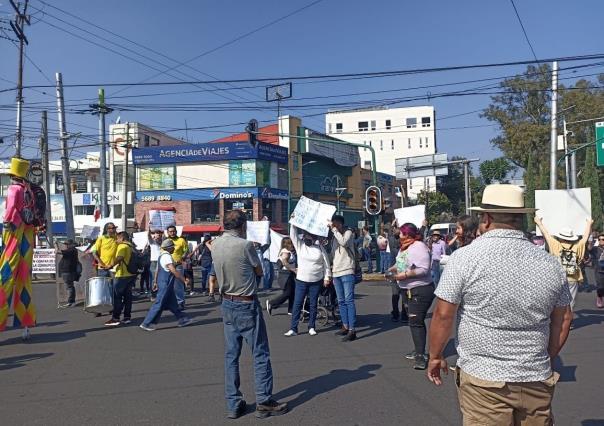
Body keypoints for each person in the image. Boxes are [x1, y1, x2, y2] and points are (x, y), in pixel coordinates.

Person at [427, 184, 573, 425]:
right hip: (535, 377)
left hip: (483, 377)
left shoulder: (464, 258)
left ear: (486, 218)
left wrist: (435, 355)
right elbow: (564, 318)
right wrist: (546, 356)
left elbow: (443, 315)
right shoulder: (550, 263)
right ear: (520, 219)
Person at [211, 210, 288, 419]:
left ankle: (233, 403)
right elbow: (260, 272)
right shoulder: (245, 246)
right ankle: (264, 401)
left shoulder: (215, 244)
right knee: (260, 353)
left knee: (231, 356)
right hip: (246, 303)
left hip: (226, 302)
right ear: (243, 226)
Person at [386, 222, 433, 370]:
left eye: (401, 233)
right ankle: (418, 349)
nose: (398, 235)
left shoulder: (418, 246)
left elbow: (424, 269)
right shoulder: (404, 247)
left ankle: (420, 356)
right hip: (407, 290)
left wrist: (404, 275)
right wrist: (392, 270)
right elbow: (400, 264)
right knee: (413, 321)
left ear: (407, 234)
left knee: (416, 321)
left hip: (420, 289)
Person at [0, 157, 37, 338]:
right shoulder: (28, 189)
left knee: (5, 277)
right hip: (28, 233)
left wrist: (6, 222)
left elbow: (11, 208)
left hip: (14, 231)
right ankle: (26, 325)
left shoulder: (14, 189)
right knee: (24, 279)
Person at [285, 216, 331, 337]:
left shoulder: (320, 249)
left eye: (308, 236)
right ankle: (293, 328)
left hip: (316, 280)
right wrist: (293, 223)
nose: (306, 238)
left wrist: (327, 277)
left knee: (313, 304)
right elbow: (293, 235)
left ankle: (311, 326)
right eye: (305, 236)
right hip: (301, 280)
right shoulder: (300, 246)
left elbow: (326, 265)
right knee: (297, 303)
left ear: (314, 237)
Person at [535, 216, 593, 310]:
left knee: (557, 303)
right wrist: (589, 224)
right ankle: (569, 322)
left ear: (560, 237)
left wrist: (539, 222)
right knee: (570, 303)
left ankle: (558, 321)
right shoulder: (578, 246)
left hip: (557, 277)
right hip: (572, 277)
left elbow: (546, 234)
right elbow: (585, 237)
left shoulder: (555, 244)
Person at [139, 239, 193, 331]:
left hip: (164, 282)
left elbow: (158, 270)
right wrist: (183, 280)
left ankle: (182, 319)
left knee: (173, 304)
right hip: (166, 283)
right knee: (159, 303)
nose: (174, 249)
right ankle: (146, 323)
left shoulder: (161, 256)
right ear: (169, 248)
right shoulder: (167, 257)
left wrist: (155, 281)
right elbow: (173, 270)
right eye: (173, 247)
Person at [328, 215, 358, 342]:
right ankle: (345, 326)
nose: (332, 227)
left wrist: (334, 230)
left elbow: (344, 242)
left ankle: (352, 329)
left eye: (334, 224)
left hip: (347, 270)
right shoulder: (334, 237)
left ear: (339, 224)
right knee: (341, 301)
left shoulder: (348, 232)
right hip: (336, 272)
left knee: (349, 300)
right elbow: (332, 254)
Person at [104, 232, 137, 326]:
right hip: (131, 274)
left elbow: (120, 257)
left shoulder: (122, 246)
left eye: (117, 239)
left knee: (117, 297)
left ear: (122, 238)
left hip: (122, 275)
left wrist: (110, 265)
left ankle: (115, 318)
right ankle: (127, 317)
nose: (116, 241)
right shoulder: (131, 246)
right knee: (128, 297)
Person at [266, 237, 297, 315]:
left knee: (292, 292)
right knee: (288, 292)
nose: (292, 244)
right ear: (287, 244)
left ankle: (291, 310)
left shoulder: (290, 251)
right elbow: (285, 263)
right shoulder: (285, 252)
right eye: (291, 243)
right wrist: (294, 270)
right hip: (286, 275)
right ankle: (272, 303)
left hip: (289, 274)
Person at [166, 225, 188, 310]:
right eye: (170, 231)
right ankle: (170, 302)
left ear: (176, 231)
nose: (172, 233)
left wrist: (182, 258)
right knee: (167, 285)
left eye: (173, 231)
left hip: (178, 265)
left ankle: (180, 302)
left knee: (178, 285)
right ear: (167, 232)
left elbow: (186, 251)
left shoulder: (181, 240)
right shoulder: (166, 241)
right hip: (168, 266)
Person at [56, 239, 79, 308]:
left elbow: (58, 252)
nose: (66, 246)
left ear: (71, 244)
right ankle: (71, 301)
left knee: (69, 287)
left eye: (67, 244)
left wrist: (56, 246)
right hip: (67, 271)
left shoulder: (72, 250)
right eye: (66, 244)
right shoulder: (71, 250)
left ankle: (71, 301)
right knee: (69, 286)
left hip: (68, 271)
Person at [148, 229, 163, 301]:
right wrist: (149, 229)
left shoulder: (163, 242)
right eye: (157, 233)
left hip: (162, 261)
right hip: (154, 262)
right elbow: (148, 236)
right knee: (154, 279)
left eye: (160, 233)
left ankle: (159, 294)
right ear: (154, 234)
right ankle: (153, 295)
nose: (159, 235)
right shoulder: (152, 242)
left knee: (161, 279)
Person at [591, 233, 604, 308]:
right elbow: (589, 248)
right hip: (599, 271)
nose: (601, 241)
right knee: (600, 287)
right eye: (599, 239)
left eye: (603, 239)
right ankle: (599, 298)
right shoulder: (595, 249)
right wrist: (590, 240)